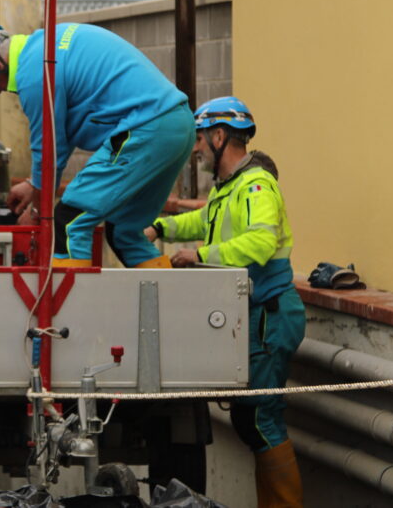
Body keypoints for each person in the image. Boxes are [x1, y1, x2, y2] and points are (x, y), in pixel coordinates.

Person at [144, 96, 305, 507]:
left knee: (260, 418)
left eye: (199, 138)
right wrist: (160, 227)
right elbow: (204, 220)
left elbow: (260, 242)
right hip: (253, 314)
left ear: (219, 136)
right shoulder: (229, 187)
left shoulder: (256, 185)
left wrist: (199, 255)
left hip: (270, 315)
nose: (196, 148)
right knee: (250, 419)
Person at [0, 22, 195, 268]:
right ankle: (167, 294)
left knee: (69, 222)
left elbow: (48, 150)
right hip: (178, 125)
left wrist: (37, 212)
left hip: (145, 128)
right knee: (124, 232)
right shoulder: (46, 45)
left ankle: (72, 295)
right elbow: (58, 137)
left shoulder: (33, 74)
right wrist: (34, 185)